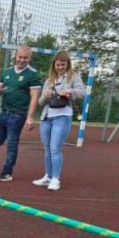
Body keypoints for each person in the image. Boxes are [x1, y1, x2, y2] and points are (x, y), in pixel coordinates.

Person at [0, 46, 42, 182]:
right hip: (3, 113)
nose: (22, 60)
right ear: (15, 56)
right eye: (20, 57)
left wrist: (30, 117)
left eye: (25, 57)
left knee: (12, 143)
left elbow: (34, 97)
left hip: (18, 115)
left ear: (30, 58)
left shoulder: (33, 75)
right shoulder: (6, 72)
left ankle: (7, 172)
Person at [34, 51, 86, 191]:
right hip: (46, 118)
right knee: (47, 149)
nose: (60, 67)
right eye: (58, 65)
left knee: (55, 148)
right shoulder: (48, 81)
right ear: (54, 65)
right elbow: (40, 103)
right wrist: (45, 95)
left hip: (62, 117)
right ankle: (48, 176)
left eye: (63, 64)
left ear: (68, 64)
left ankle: (56, 179)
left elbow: (82, 92)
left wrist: (69, 92)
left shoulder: (73, 77)